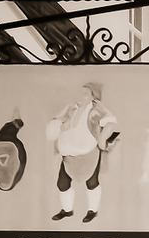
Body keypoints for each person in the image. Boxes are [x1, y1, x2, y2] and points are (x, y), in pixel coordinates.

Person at [46, 82, 120, 222]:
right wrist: (61, 125)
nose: (81, 96)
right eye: (80, 92)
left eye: (85, 93)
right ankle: (67, 210)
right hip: (68, 155)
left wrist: (103, 139)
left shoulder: (95, 111)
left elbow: (111, 121)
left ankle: (92, 210)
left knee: (92, 183)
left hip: (88, 154)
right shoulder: (70, 108)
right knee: (62, 183)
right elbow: (54, 123)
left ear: (93, 97)